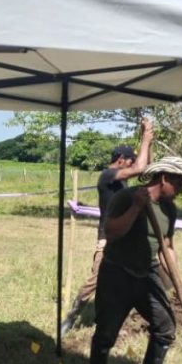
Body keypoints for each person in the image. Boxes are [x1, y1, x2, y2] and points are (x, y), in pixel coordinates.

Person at [86, 156, 182, 364]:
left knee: (166, 327)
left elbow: (166, 247)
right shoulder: (126, 198)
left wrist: (179, 283)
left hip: (147, 275)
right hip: (116, 273)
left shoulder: (169, 209)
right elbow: (111, 233)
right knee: (106, 332)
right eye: (180, 183)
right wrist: (136, 207)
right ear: (165, 177)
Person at [61, 118, 153, 336]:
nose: (132, 167)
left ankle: (112, 320)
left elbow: (145, 168)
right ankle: (72, 316)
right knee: (95, 280)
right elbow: (140, 168)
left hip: (124, 238)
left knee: (121, 282)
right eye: (130, 162)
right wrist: (146, 138)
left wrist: (148, 141)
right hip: (108, 239)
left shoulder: (121, 180)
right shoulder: (108, 176)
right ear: (121, 160)